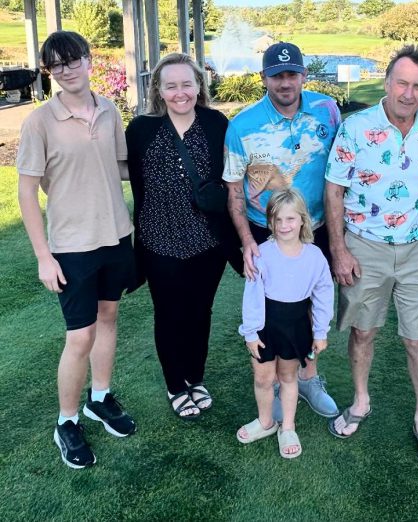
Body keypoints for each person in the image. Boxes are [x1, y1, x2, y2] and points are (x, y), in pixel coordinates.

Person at [324, 45, 418, 468]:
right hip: (364, 246)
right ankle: (360, 401)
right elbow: (334, 189)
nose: (408, 93)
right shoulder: (356, 127)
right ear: (387, 82)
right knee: (363, 331)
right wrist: (339, 249)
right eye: (402, 82)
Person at [16, 30, 136, 469]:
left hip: (116, 237)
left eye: (73, 60)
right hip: (71, 247)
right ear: (50, 72)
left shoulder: (109, 111)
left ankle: (99, 398)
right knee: (79, 336)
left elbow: (123, 168)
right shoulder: (39, 122)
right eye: (56, 65)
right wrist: (44, 257)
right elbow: (27, 193)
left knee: (109, 318)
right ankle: (67, 421)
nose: (66, 70)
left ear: (88, 61)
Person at [223, 41, 340, 421]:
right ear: (264, 78)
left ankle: (307, 377)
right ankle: (271, 383)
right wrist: (245, 243)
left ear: (304, 75)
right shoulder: (242, 125)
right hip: (264, 231)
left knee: (307, 302)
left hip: (316, 227)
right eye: (277, 76)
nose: (285, 83)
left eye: (292, 74)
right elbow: (234, 192)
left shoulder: (328, 109)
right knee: (271, 307)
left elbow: (341, 171)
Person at [126, 53, 242, 420]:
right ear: (158, 90)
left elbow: (233, 175)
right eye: (171, 85)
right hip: (158, 241)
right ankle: (176, 384)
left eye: (187, 84)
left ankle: (196, 377)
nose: (180, 93)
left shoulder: (215, 123)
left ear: (199, 86)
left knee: (200, 312)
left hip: (208, 242)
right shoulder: (141, 129)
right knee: (169, 314)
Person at [236, 188, 333, 459]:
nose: (283, 226)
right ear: (270, 222)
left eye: (290, 219)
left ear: (303, 220)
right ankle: (266, 422)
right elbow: (252, 296)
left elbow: (324, 294)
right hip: (265, 325)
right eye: (277, 220)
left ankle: (287, 427)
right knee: (263, 377)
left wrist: (320, 331)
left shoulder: (314, 257)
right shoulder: (261, 253)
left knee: (289, 377)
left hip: (295, 326)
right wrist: (251, 332)